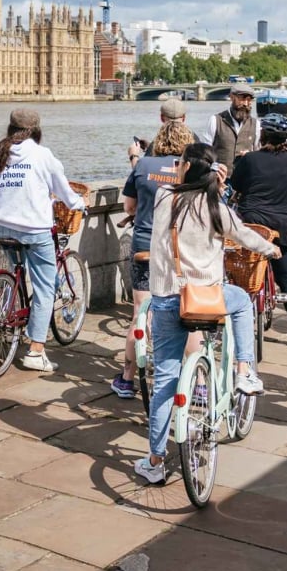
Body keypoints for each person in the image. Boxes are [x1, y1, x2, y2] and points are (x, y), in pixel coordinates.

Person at [136, 143, 280, 485]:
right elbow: (243, 234)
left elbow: (173, 184)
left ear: (186, 167)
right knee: (242, 300)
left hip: (168, 298)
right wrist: (271, 249)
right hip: (207, 298)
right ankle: (244, 370)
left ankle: (155, 461)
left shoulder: (164, 199)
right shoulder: (216, 206)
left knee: (165, 381)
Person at [0, 108, 85, 372]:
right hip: (34, 230)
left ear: (11, 128)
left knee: (17, 270)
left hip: (1, 226)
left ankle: (9, 306)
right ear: (35, 130)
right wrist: (79, 204)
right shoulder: (43, 155)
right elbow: (64, 191)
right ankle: (36, 351)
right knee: (44, 287)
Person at [113, 107, 196, 397]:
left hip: (145, 245)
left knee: (140, 311)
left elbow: (129, 207)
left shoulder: (143, 165)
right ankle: (198, 383)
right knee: (189, 312)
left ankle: (126, 379)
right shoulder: (191, 168)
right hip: (180, 249)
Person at [229, 112, 287, 348]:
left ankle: (236, 327)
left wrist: (243, 163)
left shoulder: (250, 159)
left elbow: (235, 184)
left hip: (253, 227)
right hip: (285, 229)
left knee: (241, 278)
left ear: (262, 135)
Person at [202, 82, 260, 168]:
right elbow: (205, 151)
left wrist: (250, 155)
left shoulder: (255, 124)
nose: (245, 104)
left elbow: (258, 154)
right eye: (242, 99)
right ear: (232, 97)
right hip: (220, 175)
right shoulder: (215, 120)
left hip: (245, 175)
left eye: (249, 100)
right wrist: (215, 168)